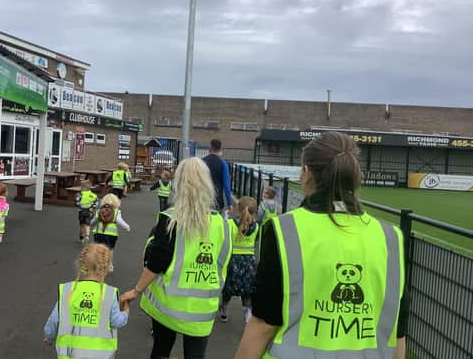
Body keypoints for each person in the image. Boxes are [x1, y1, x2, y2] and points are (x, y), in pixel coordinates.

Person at [235, 132, 408, 359]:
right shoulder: (391, 237)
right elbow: (397, 331)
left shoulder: (285, 230)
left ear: (306, 172)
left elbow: (263, 322)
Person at [120, 157, 232, 359]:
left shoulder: (170, 220)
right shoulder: (222, 225)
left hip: (167, 306)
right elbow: (223, 263)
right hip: (203, 311)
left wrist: (136, 291)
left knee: (161, 350)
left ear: (178, 184)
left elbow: (156, 263)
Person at [43, 243, 129, 358]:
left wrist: (49, 336)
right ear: (107, 267)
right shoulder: (109, 294)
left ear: (81, 264)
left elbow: (54, 319)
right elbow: (117, 321)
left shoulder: (68, 290)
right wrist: (125, 311)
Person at [219, 196, 260, 325]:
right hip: (249, 263)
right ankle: (248, 315)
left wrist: (225, 216)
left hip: (233, 261)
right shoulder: (257, 227)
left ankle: (224, 310)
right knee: (247, 291)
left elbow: (224, 236)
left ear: (238, 209)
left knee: (228, 289)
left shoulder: (231, 224)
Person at [90, 193, 130, 272]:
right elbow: (119, 221)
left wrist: (90, 224)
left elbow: (94, 220)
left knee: (99, 249)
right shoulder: (116, 212)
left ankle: (99, 264)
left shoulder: (99, 211)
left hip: (99, 233)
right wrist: (127, 227)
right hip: (111, 234)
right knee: (110, 250)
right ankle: (109, 265)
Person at [202, 139, 233, 214]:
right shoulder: (223, 164)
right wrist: (230, 203)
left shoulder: (201, 162)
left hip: (202, 199)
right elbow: (226, 186)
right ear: (219, 149)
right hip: (217, 200)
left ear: (210, 147)